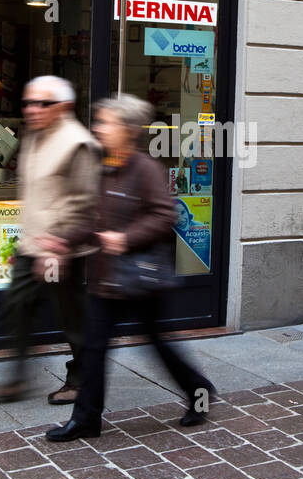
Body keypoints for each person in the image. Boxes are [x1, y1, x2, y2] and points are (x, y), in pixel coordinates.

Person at [42, 94, 215, 442]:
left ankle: (199, 391)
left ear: (127, 130)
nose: (97, 128)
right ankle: (87, 420)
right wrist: (65, 241)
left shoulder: (145, 168)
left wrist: (125, 238)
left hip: (142, 278)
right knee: (94, 348)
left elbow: (165, 215)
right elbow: (92, 219)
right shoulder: (104, 168)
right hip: (107, 278)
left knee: (158, 343)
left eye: (105, 122)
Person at [0, 76, 99, 404]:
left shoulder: (78, 143)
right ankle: (17, 379)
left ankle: (81, 380)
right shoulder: (35, 136)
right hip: (32, 244)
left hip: (61, 248)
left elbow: (87, 204)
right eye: (28, 103)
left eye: (43, 103)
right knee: (17, 306)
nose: (33, 109)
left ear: (64, 106)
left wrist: (61, 247)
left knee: (72, 319)